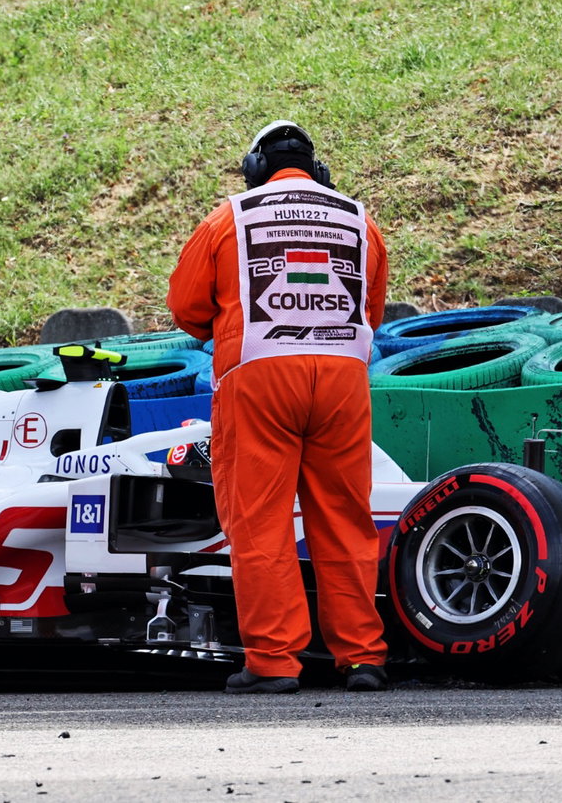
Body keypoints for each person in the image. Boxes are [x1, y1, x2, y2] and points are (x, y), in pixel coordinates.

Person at [167, 120, 391, 693]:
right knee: (345, 520)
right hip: (343, 378)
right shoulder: (358, 218)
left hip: (260, 378)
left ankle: (273, 661)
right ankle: (363, 656)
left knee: (260, 522)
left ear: (254, 169)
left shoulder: (229, 217)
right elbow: (372, 311)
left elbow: (186, 308)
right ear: (317, 170)